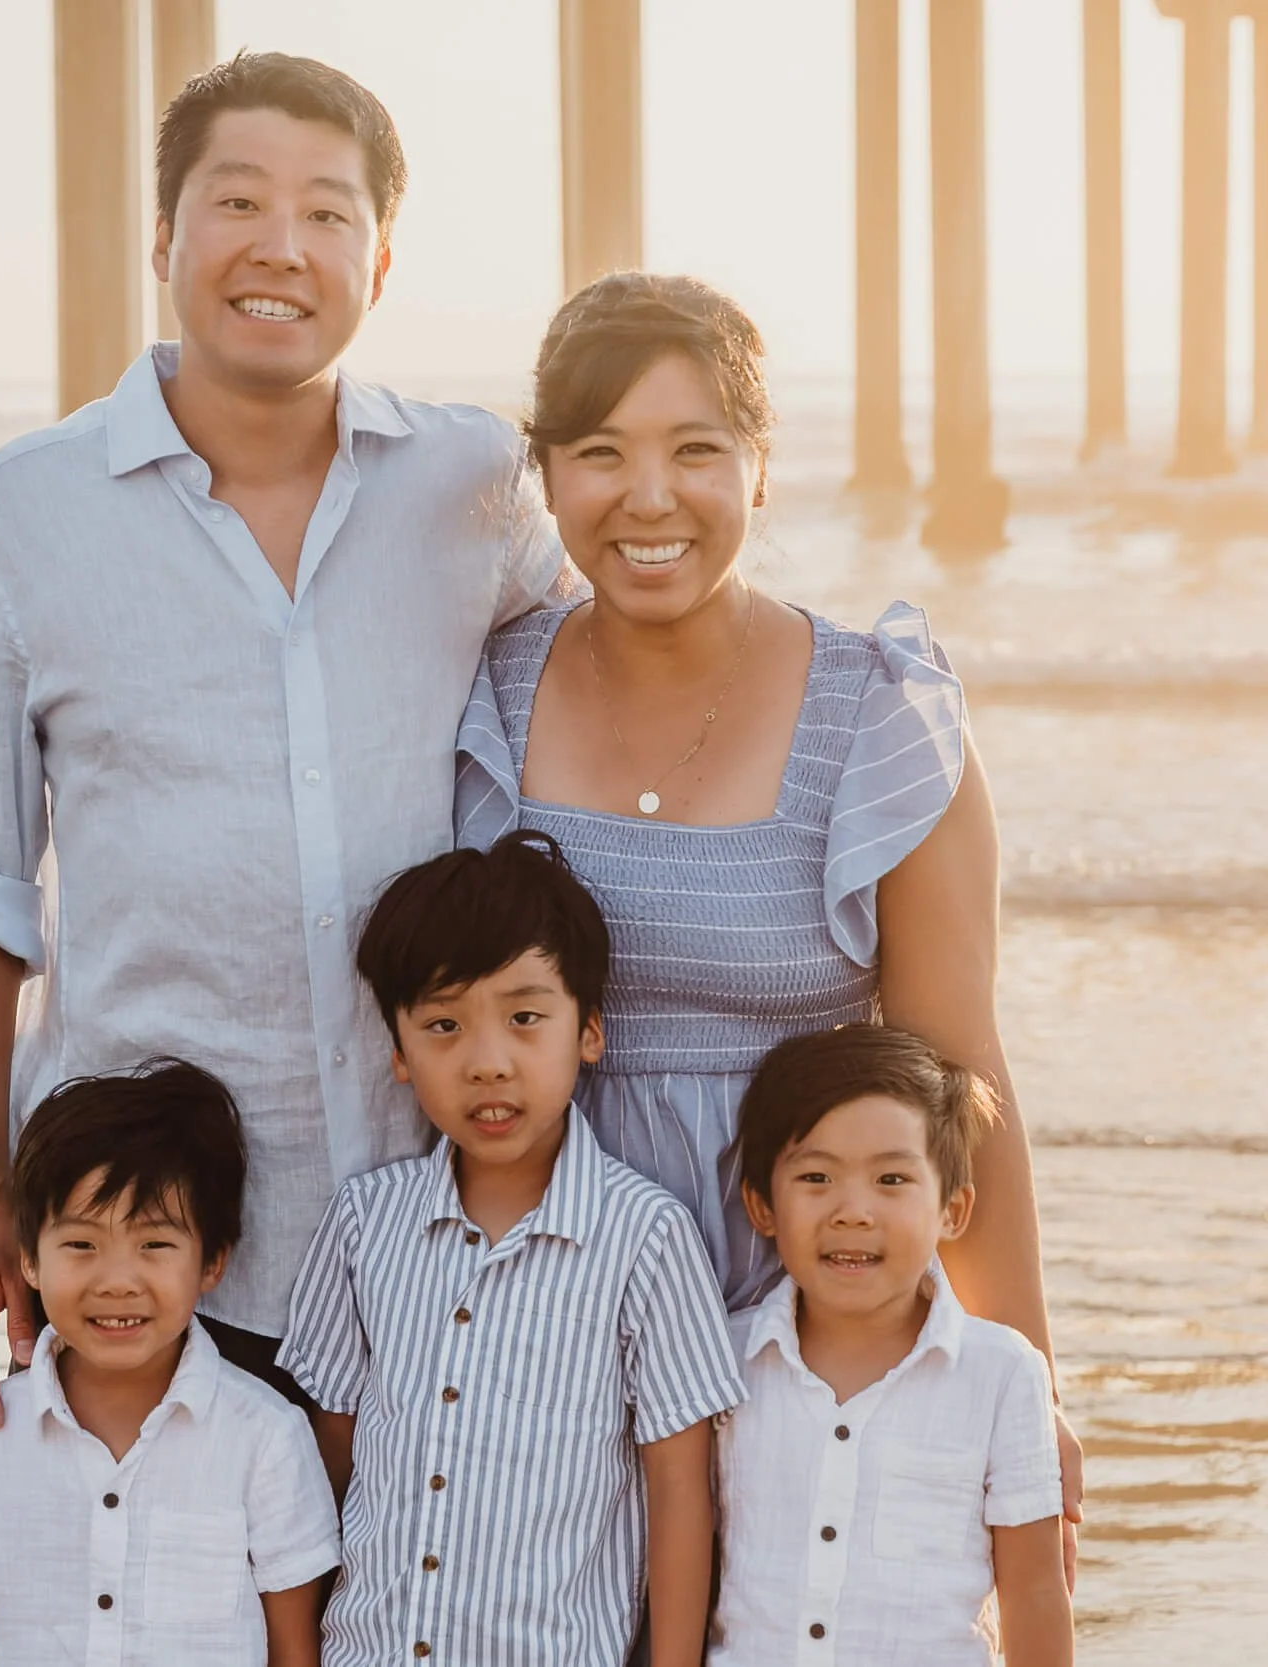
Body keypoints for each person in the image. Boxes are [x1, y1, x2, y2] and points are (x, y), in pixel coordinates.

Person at [0, 51, 565, 1454]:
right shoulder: (30, 510)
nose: (282, 247)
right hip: (144, 1251)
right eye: (239, 202)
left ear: (380, 264)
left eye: (328, 213)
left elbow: (616, 670)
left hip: (431, 1224)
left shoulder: (476, 487)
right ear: (165, 238)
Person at [452, 271, 1082, 1571]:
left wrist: (1025, 1390)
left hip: (811, 1332)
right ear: (547, 472)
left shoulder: (879, 721)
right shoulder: (483, 699)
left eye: (696, 449)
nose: (649, 496)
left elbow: (961, 1075)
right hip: (539, 1324)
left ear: (758, 465)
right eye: (600, 453)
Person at [278, 831, 744, 1667]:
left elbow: (680, 1495)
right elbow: (327, 1469)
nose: (488, 1062)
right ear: (398, 1052)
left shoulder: (645, 1237)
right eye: (444, 1025)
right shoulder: (363, 1224)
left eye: (526, 1018)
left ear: (588, 1031)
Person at [0, 1059, 338, 1667]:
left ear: (212, 1263)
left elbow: (294, 1647)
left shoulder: (267, 1436)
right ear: (30, 1262)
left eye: (154, 1245)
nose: (118, 1282)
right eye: (81, 1245)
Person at [711, 1026, 1070, 1667]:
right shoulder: (720, 1360)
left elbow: (1036, 1591)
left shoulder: (1005, 1372)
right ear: (761, 1206)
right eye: (817, 1176)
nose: (853, 1210)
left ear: (952, 1211)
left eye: (892, 1180)